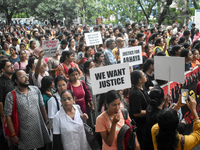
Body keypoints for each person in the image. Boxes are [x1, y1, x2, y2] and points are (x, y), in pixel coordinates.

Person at [4, 69, 51, 150]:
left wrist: (46, 122)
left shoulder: (36, 90)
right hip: (23, 135)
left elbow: (42, 106)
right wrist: (13, 135)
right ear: (16, 81)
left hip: (38, 131)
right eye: (22, 76)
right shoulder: (11, 95)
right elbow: (8, 116)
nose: (26, 78)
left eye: (26, 75)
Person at [129, 70, 150, 150]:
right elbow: (136, 113)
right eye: (143, 75)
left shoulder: (142, 87)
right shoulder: (136, 93)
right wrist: (150, 111)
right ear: (139, 80)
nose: (145, 76)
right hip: (140, 126)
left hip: (145, 123)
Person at [0, 59, 15, 150]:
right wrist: (3, 117)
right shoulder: (1, 82)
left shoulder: (13, 79)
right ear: (2, 70)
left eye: (11, 65)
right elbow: (0, 102)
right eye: (9, 66)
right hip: (7, 115)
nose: (12, 67)